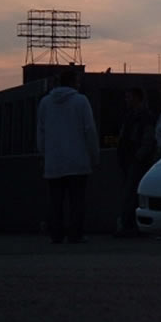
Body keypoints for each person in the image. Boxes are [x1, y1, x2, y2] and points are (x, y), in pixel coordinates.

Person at [37, 69, 99, 244]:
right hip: (78, 160)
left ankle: (56, 234)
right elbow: (90, 130)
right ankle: (75, 234)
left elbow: (40, 131)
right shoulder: (81, 101)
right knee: (77, 201)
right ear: (74, 82)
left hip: (53, 161)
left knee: (55, 201)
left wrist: (43, 154)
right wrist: (94, 155)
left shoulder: (45, 103)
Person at [114, 87, 155, 238]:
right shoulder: (132, 116)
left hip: (135, 159)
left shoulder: (144, 117)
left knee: (130, 193)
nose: (127, 100)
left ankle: (129, 225)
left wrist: (139, 155)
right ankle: (132, 225)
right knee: (131, 192)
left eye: (129, 97)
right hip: (129, 158)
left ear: (137, 98)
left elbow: (147, 139)